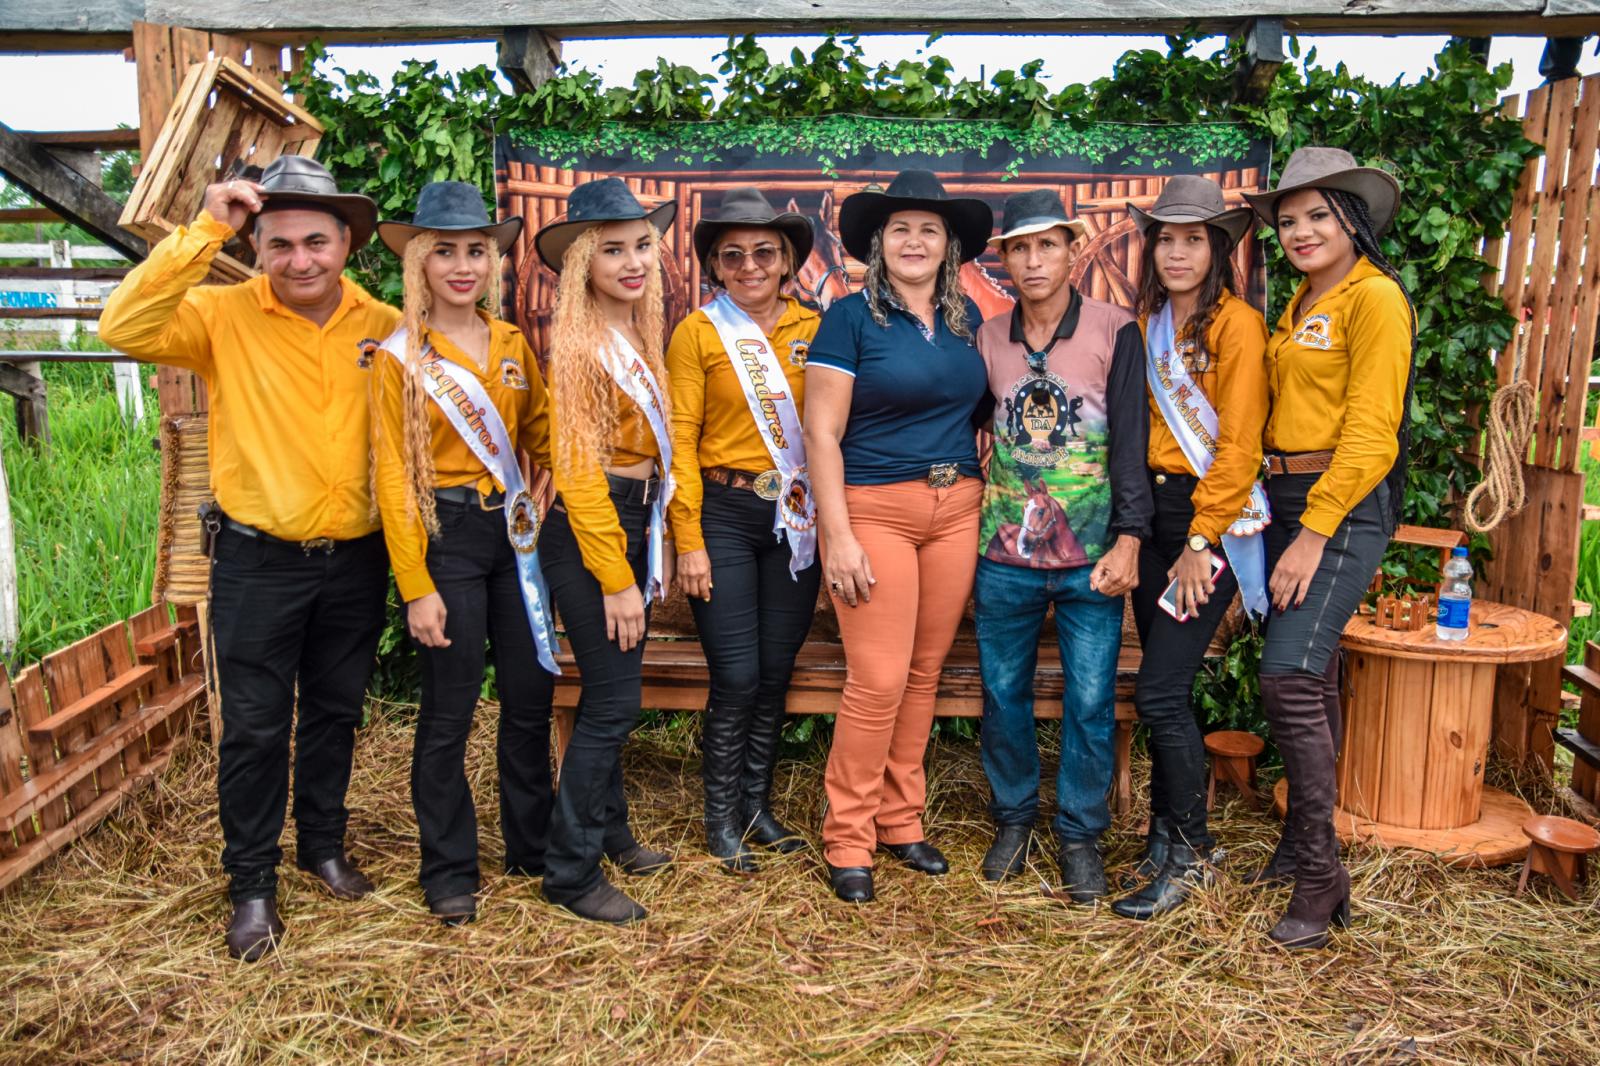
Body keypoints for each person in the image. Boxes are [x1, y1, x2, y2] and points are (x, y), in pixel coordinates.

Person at [99, 157, 398, 961]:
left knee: (336, 713)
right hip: (257, 562)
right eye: (278, 245)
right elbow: (121, 327)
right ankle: (252, 887)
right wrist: (206, 229)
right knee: (257, 730)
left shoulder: (385, 323)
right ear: (256, 246)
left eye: (316, 242)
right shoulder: (220, 315)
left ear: (348, 243)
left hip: (358, 559)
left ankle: (323, 847)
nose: (300, 261)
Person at [370, 182, 559, 926]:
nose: (461, 264)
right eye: (443, 250)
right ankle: (448, 868)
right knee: (449, 710)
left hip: (514, 537)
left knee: (528, 697)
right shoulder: (398, 356)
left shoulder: (513, 344)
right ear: (419, 261)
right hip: (444, 538)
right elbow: (391, 473)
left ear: (493, 260)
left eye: (475, 250)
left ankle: (531, 847)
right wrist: (415, 584)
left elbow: (541, 436)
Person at [804, 170, 992, 903]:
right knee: (877, 680)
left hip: (957, 509)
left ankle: (899, 820)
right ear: (878, 244)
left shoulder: (966, 322)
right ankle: (847, 836)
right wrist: (838, 536)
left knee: (923, 673)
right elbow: (821, 434)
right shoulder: (848, 319)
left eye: (930, 230)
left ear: (949, 247)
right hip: (874, 509)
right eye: (901, 229)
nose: (915, 241)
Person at [1242, 146, 1413, 949]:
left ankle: (1322, 875)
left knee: (1288, 679)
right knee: (1317, 673)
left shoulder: (1374, 300)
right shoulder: (1306, 298)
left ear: (1354, 219)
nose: (1300, 230)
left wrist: (1312, 535)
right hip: (1283, 495)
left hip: (1337, 507)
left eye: (1318, 215)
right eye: (1287, 220)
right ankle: (1296, 847)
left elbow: (1373, 434)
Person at [971, 188, 1151, 902]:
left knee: (1089, 700)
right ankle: (1013, 819)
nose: (1034, 259)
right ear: (1006, 260)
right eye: (1020, 247)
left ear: (1075, 251)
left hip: (1093, 559)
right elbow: (965, 430)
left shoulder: (1115, 330)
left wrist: (1132, 536)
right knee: (1003, 692)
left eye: (1048, 244)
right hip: (1004, 557)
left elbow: (1131, 444)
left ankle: (1079, 835)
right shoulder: (987, 339)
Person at [1111, 177, 1269, 920]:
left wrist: (1202, 541)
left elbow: (1238, 446)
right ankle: (1165, 839)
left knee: (1162, 691)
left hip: (1211, 526)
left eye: (1193, 238)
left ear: (1219, 248)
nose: (1177, 251)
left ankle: (1195, 853)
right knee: (1160, 684)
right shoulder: (1145, 327)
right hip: (1158, 520)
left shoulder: (1237, 326)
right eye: (1166, 237)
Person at [532, 178, 679, 924]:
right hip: (594, 534)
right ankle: (570, 871)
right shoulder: (582, 345)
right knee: (615, 702)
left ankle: (611, 830)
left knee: (609, 694)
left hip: (634, 521)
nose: (632, 261)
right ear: (584, 260)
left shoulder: (637, 336)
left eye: (642, 246)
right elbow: (579, 475)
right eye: (613, 249)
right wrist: (616, 578)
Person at [667, 188, 822, 871]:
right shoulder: (698, 333)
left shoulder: (818, 331)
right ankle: (719, 816)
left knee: (775, 671)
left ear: (787, 260)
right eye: (733, 255)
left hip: (794, 514)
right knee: (735, 675)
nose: (750, 265)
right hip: (723, 515)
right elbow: (679, 438)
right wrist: (688, 540)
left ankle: (757, 808)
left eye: (765, 252)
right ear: (716, 267)